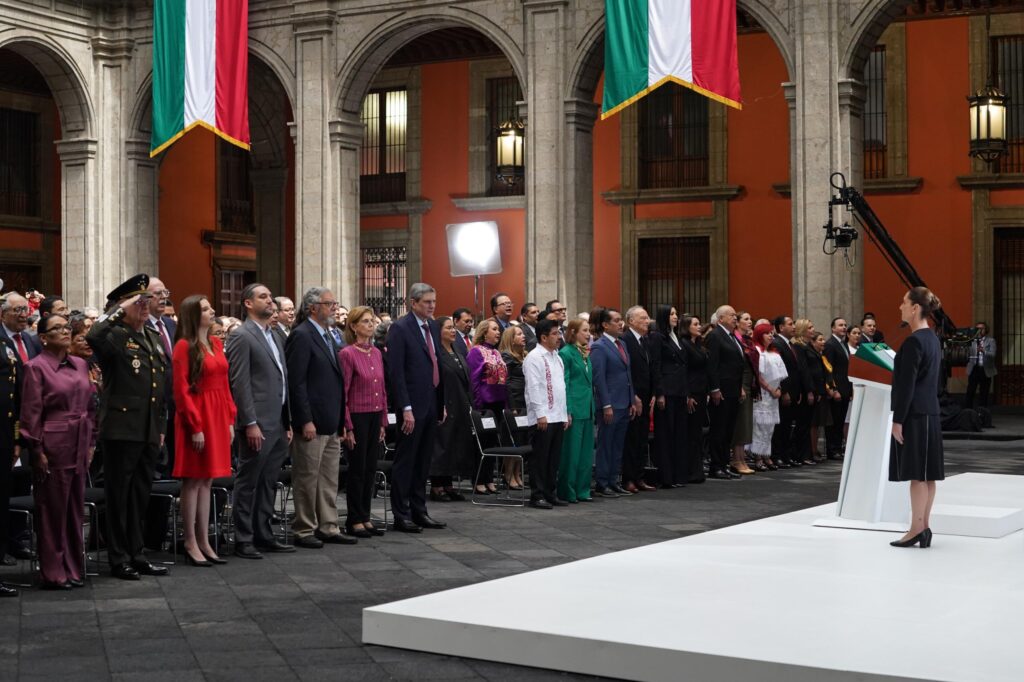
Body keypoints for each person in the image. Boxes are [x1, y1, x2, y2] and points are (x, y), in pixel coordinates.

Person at [86, 274, 170, 580]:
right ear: (125, 304)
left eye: (148, 301)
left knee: (140, 495)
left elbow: (159, 386)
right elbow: (93, 335)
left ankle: (138, 553)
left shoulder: (151, 336)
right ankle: (118, 558)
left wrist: (160, 425)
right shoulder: (116, 335)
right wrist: (120, 309)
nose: (146, 306)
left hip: (148, 428)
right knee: (119, 496)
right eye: (140, 302)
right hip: (122, 428)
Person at [20, 314, 95, 588]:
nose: (65, 331)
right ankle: (53, 571)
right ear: (43, 338)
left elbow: (90, 405)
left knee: (75, 508)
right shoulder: (35, 367)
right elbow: (31, 413)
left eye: (66, 327)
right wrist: (36, 449)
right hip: (53, 442)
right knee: (52, 510)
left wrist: (92, 441)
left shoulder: (80, 363)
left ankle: (73, 567)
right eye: (57, 328)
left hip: (79, 440)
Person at [226, 283, 295, 559]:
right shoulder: (242, 336)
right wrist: (249, 422)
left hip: (277, 420)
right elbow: (240, 383)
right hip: (257, 422)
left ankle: (263, 533)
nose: (270, 301)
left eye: (270, 297)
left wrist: (287, 421)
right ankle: (244, 538)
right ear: (248, 303)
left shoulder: (275, 335)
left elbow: (282, 378)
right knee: (249, 481)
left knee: (269, 481)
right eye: (263, 297)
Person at [284, 288, 355, 549]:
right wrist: (304, 420)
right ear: (313, 307)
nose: (334, 307)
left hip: (331, 419)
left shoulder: (330, 335)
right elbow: (297, 382)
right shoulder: (302, 335)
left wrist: (341, 420)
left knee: (328, 478)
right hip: (311, 421)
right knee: (307, 477)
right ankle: (304, 528)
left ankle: (328, 525)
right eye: (329, 303)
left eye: (335, 303)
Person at [172, 295, 236, 566]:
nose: (212, 311)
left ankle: (204, 539)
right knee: (193, 480)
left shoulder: (216, 343)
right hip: (197, 417)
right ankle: (190, 540)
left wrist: (230, 420)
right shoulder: (184, 347)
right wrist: (195, 426)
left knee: (207, 480)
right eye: (206, 309)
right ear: (193, 315)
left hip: (217, 415)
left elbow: (224, 385)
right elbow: (181, 391)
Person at [387, 283, 447, 532]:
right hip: (411, 405)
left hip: (431, 401)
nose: (432, 306)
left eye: (434, 301)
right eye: (427, 302)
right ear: (413, 303)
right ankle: (401, 514)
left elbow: (436, 363)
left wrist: (440, 403)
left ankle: (419, 510)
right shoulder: (400, 328)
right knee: (407, 461)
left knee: (423, 461)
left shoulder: (432, 326)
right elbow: (396, 372)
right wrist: (406, 407)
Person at [889, 287, 945, 548]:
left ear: (915, 308)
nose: (900, 307)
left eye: (904, 302)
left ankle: (916, 530)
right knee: (927, 474)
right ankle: (924, 527)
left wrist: (897, 419)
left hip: (916, 414)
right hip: (930, 411)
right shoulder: (932, 338)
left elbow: (906, 385)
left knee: (917, 475)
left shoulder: (914, 341)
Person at [340, 306, 388, 538]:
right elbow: (343, 392)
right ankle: (354, 518)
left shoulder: (376, 352)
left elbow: (383, 389)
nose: (371, 325)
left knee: (370, 468)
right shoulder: (347, 354)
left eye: (372, 321)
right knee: (357, 469)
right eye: (366, 321)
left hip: (374, 415)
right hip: (357, 416)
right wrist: (347, 426)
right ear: (353, 326)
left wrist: (383, 421)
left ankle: (365, 516)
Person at [590, 308, 640, 497]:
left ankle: (613, 480)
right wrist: (606, 404)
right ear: (605, 325)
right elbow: (599, 378)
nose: (621, 324)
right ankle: (602, 482)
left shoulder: (622, 344)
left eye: (621, 320)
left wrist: (632, 399)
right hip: (610, 404)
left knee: (618, 445)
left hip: (624, 402)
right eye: (616, 320)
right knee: (606, 444)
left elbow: (628, 374)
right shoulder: (599, 346)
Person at [523, 319, 569, 509]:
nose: (559, 337)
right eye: (555, 334)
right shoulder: (534, 357)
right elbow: (533, 388)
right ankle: (537, 495)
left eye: (559, 333)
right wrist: (540, 414)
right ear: (543, 337)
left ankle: (550, 492)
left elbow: (561, 388)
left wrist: (565, 414)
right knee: (540, 458)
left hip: (557, 415)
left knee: (553, 458)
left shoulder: (556, 356)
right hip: (542, 417)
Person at [430, 317, 471, 502]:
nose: (453, 331)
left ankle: (449, 484)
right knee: (442, 446)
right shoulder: (436, 354)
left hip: (460, 403)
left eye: (454, 327)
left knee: (454, 445)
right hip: (445, 404)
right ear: (439, 332)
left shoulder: (457, 351)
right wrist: (440, 405)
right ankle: (437, 486)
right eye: (448, 328)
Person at [466, 319, 508, 495]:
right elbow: (474, 380)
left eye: (498, 329)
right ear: (484, 332)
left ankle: (489, 478)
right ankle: (478, 479)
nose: (498, 332)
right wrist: (477, 405)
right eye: (494, 329)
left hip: (498, 403)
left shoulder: (496, 352)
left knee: (492, 442)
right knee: (481, 443)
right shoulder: (476, 352)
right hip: (483, 403)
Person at [650, 305, 688, 488]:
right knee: (666, 434)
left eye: (676, 313)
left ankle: (678, 474)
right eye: (672, 314)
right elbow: (656, 365)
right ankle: (666, 476)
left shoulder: (676, 336)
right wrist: (660, 393)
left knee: (679, 433)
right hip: (667, 390)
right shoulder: (658, 337)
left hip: (679, 390)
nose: (676, 316)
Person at [706, 305, 745, 480]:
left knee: (728, 430)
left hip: (733, 390)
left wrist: (739, 387)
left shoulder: (732, 336)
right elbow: (712, 365)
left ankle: (724, 464)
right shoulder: (715, 336)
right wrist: (714, 388)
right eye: (731, 315)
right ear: (720, 318)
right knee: (719, 430)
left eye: (736, 315)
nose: (735, 318)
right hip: (721, 391)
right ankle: (716, 466)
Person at [620, 306, 656, 492]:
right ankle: (628, 478)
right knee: (631, 440)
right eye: (643, 318)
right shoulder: (626, 340)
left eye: (647, 318)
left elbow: (651, 369)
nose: (647, 321)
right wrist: (633, 396)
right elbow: (627, 371)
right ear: (631, 321)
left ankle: (639, 476)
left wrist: (654, 394)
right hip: (633, 397)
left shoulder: (645, 340)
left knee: (642, 439)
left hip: (647, 395)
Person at [558, 318, 594, 503]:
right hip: (575, 407)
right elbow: (565, 383)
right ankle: (568, 490)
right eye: (585, 330)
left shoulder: (584, 352)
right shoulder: (566, 353)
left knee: (586, 454)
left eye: (589, 330)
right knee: (571, 454)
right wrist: (568, 410)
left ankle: (583, 489)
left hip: (587, 407)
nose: (588, 334)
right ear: (573, 332)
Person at [144, 277, 177, 478]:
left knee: (173, 463)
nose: (163, 298)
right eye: (158, 294)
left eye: (165, 293)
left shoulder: (171, 325)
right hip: (154, 404)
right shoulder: (140, 324)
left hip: (175, 404)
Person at [771, 315, 805, 469]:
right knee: (781, 426)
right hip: (785, 392)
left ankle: (785, 455)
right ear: (781, 327)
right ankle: (777, 455)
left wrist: (798, 391)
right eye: (790, 324)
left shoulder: (790, 344)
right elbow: (779, 371)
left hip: (794, 391)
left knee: (787, 426)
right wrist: (784, 391)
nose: (794, 327)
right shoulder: (777, 344)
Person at [752, 323, 786, 471]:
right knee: (759, 426)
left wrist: (778, 389)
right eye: (767, 333)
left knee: (770, 428)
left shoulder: (774, 353)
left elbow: (780, 375)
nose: (771, 336)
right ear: (760, 335)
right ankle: (758, 456)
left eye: (772, 333)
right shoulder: (757, 351)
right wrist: (770, 389)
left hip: (773, 395)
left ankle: (767, 455)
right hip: (763, 394)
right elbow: (757, 375)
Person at [498, 325, 527, 490]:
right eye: (519, 334)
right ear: (511, 339)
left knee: (521, 439)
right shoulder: (506, 356)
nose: (523, 336)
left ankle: (517, 473)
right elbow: (506, 382)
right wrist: (512, 406)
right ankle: (508, 474)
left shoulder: (524, 356)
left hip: (525, 401)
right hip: (514, 402)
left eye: (523, 334)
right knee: (512, 440)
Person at [730, 311, 758, 475]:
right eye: (745, 319)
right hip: (741, 383)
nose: (749, 322)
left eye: (750, 319)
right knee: (740, 423)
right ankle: (736, 459)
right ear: (738, 322)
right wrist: (740, 385)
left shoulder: (747, 340)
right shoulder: (736, 339)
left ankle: (741, 458)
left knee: (746, 423)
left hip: (748, 383)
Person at [805, 331, 838, 462]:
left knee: (819, 423)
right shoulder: (811, 354)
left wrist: (830, 388)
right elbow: (814, 375)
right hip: (817, 392)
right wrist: (819, 391)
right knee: (814, 424)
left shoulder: (821, 355)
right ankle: (813, 451)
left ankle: (816, 450)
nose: (823, 342)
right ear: (812, 342)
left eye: (823, 339)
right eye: (820, 340)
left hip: (822, 392)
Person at [790, 319, 818, 466]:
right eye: (810, 327)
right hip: (805, 390)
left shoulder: (807, 346)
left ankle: (806, 454)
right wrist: (809, 391)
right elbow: (804, 370)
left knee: (807, 423)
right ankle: (801, 454)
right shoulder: (799, 347)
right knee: (803, 424)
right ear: (803, 330)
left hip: (812, 388)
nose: (813, 330)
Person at [823, 317, 851, 460]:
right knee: (833, 421)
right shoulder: (830, 345)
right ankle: (832, 449)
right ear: (833, 328)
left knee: (840, 421)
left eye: (845, 325)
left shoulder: (844, 344)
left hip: (845, 388)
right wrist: (833, 389)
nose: (844, 327)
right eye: (840, 325)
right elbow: (829, 370)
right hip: (837, 390)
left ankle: (838, 448)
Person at [964, 321, 997, 410]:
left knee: (984, 392)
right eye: (977, 329)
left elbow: (993, 354)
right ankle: (968, 411)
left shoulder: (991, 341)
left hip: (985, 369)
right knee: (970, 391)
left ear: (986, 330)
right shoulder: (971, 341)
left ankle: (982, 412)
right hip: (974, 369)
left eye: (982, 328)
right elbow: (966, 354)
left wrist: (983, 351)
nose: (979, 330)